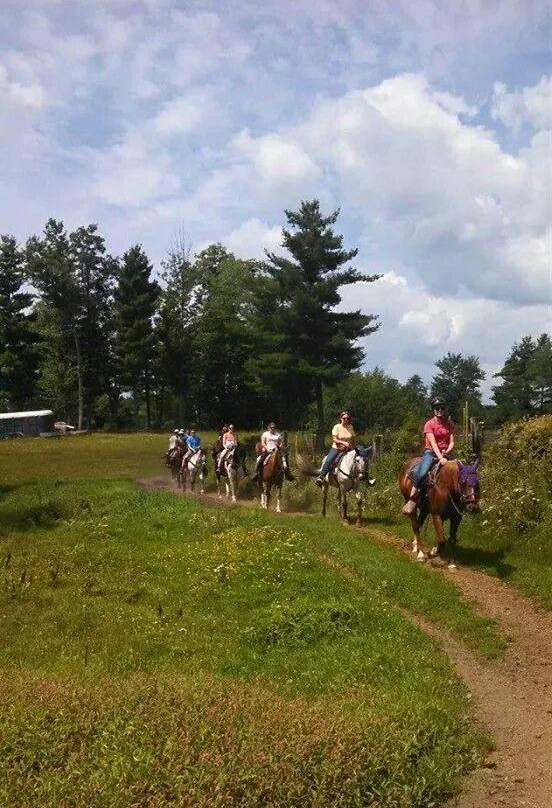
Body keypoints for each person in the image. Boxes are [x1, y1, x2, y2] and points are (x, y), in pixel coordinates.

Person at [402, 398, 455, 515]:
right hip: (431, 452)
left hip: (446, 453)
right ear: (433, 410)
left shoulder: (450, 424)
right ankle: (412, 499)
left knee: (460, 471)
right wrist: (440, 457)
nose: (440, 411)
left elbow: (451, 442)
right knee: (422, 473)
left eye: (442, 408)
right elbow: (433, 443)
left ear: (445, 409)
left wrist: (447, 452)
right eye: (437, 408)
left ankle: (464, 500)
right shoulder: (429, 424)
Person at [315, 412, 356, 486]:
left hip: (349, 448)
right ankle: (321, 477)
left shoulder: (350, 427)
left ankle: (365, 477)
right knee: (329, 460)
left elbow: (353, 438)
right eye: (344, 418)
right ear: (341, 418)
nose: (346, 420)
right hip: (337, 448)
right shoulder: (337, 427)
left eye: (347, 418)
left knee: (361, 458)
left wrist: (354, 446)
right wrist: (344, 443)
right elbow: (335, 439)